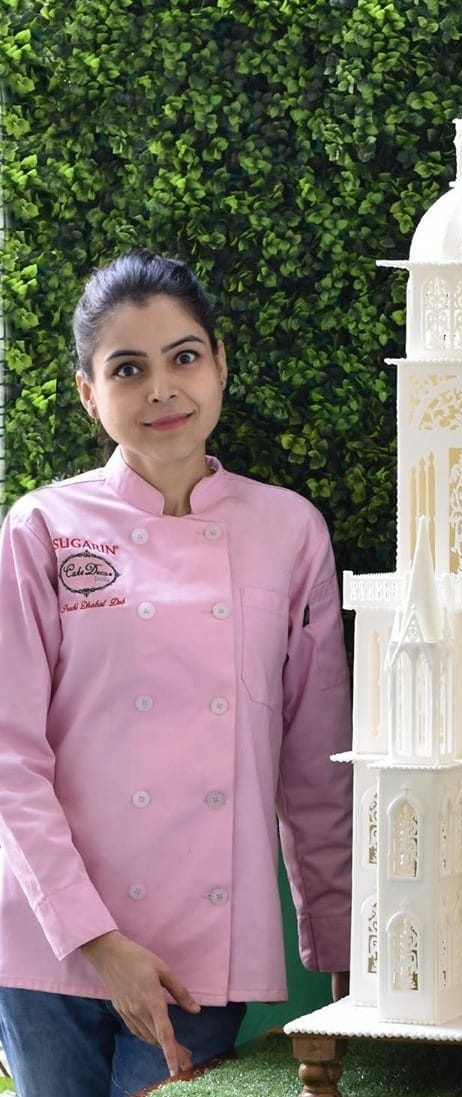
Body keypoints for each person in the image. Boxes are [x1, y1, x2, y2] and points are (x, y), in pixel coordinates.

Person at [0, 250, 353, 1097]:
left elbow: (317, 767)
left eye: (183, 357)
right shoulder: (41, 528)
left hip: (202, 951)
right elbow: (9, 755)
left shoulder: (289, 532)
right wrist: (96, 939)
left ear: (220, 363)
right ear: (89, 393)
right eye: (128, 368)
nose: (162, 389)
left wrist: (342, 949)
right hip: (45, 938)